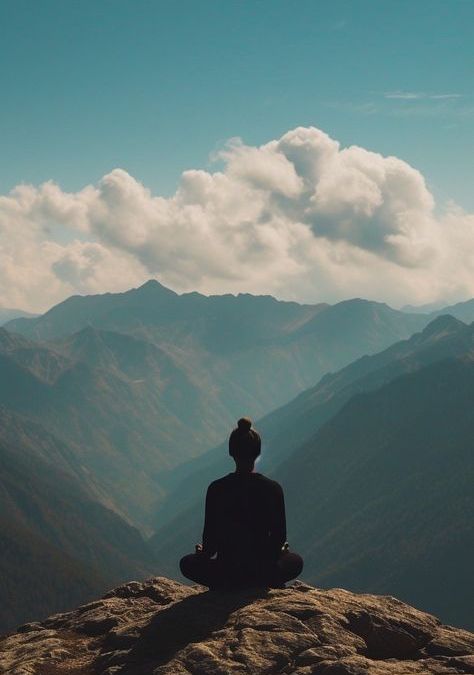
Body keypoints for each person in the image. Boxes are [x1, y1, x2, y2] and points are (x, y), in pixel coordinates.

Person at [180, 417, 303, 590]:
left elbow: (210, 544)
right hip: (261, 572)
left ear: (231, 452)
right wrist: (279, 553)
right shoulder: (273, 489)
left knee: (187, 563)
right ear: (257, 452)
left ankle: (228, 584)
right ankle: (264, 581)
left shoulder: (217, 489)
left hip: (226, 572)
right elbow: (279, 538)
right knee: (295, 561)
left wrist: (203, 553)